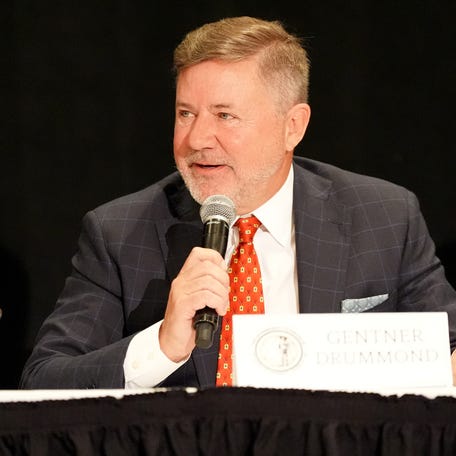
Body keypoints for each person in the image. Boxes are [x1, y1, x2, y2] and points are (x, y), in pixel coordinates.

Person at [20, 16, 456, 389]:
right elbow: (44, 380)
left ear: (293, 126)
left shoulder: (383, 218)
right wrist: (162, 345)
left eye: (225, 116)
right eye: (185, 113)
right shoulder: (120, 233)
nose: (196, 139)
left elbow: (449, 351)